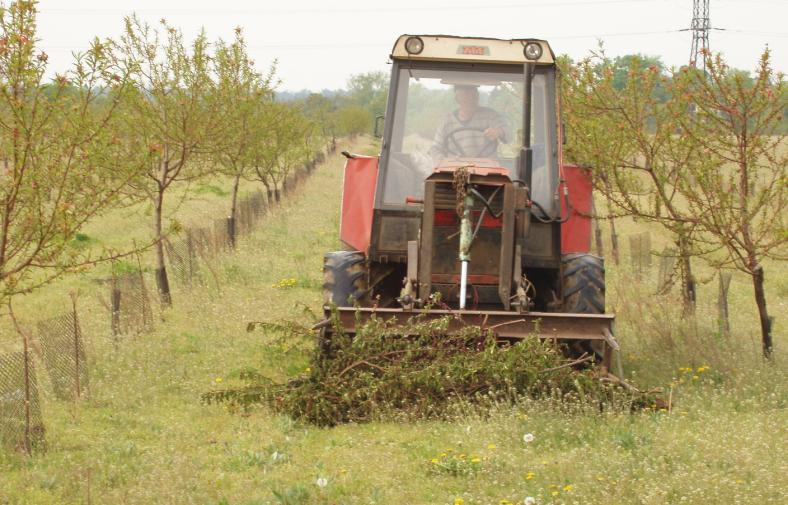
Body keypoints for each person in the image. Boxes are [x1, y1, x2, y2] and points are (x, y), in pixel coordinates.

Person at [429, 84, 509, 161]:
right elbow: (435, 148)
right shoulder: (446, 121)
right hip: (456, 170)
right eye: (465, 95)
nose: (469, 99)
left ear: (477, 96)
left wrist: (498, 132)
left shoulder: (490, 115)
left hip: (486, 169)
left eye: (473, 95)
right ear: (457, 99)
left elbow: (508, 134)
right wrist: (442, 162)